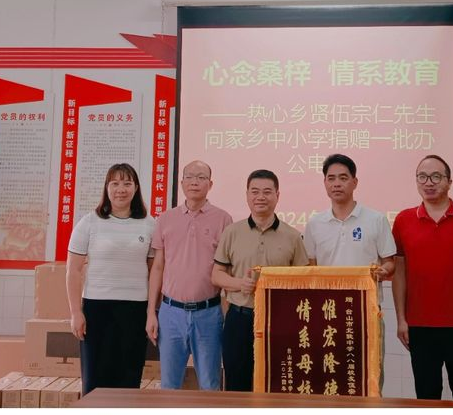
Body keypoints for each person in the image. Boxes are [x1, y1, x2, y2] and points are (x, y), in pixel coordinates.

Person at [391, 154, 453, 408]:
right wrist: (401, 319)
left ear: (449, 182)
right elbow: (399, 273)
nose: (429, 182)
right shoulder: (403, 220)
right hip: (419, 326)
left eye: (436, 177)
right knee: (426, 399)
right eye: (422, 177)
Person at [211, 169, 309, 392]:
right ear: (247, 195)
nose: (260, 197)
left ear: (277, 195)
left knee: (278, 385)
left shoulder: (292, 235)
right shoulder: (232, 232)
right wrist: (239, 284)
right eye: (255, 192)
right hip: (240, 318)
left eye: (267, 192)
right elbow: (216, 275)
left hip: (280, 321)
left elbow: (303, 280)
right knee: (237, 385)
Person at [65, 163, 156, 395]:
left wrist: (151, 312)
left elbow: (155, 272)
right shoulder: (89, 222)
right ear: (107, 188)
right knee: (95, 380)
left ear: (136, 188)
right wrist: (76, 312)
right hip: (97, 309)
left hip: (135, 310)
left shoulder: (149, 224)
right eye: (115, 183)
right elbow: (73, 271)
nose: (121, 189)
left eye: (127, 183)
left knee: (129, 378)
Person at [146, 160, 233, 390]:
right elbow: (157, 267)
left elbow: (227, 269)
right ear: (182, 182)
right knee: (169, 385)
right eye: (190, 177)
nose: (195, 182)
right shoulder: (165, 218)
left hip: (209, 313)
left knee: (210, 384)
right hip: (170, 313)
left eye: (201, 177)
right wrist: (151, 313)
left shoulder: (223, 219)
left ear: (210, 184)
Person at [304, 153, 395, 277]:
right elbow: (311, 265)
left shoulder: (377, 219)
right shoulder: (314, 223)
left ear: (355, 182)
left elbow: (389, 262)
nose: (337, 184)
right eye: (331, 178)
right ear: (325, 182)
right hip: (328, 290)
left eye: (343, 178)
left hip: (365, 289)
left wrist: (384, 270)